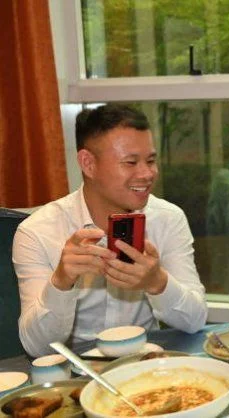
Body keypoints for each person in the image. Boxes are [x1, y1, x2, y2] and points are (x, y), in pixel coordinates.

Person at [13, 104, 208, 357]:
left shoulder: (168, 219)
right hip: (76, 369)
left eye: (150, 160)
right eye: (131, 162)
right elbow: (37, 348)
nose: (147, 173)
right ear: (88, 164)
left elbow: (195, 321)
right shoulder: (37, 232)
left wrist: (157, 282)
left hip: (145, 364)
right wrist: (61, 281)